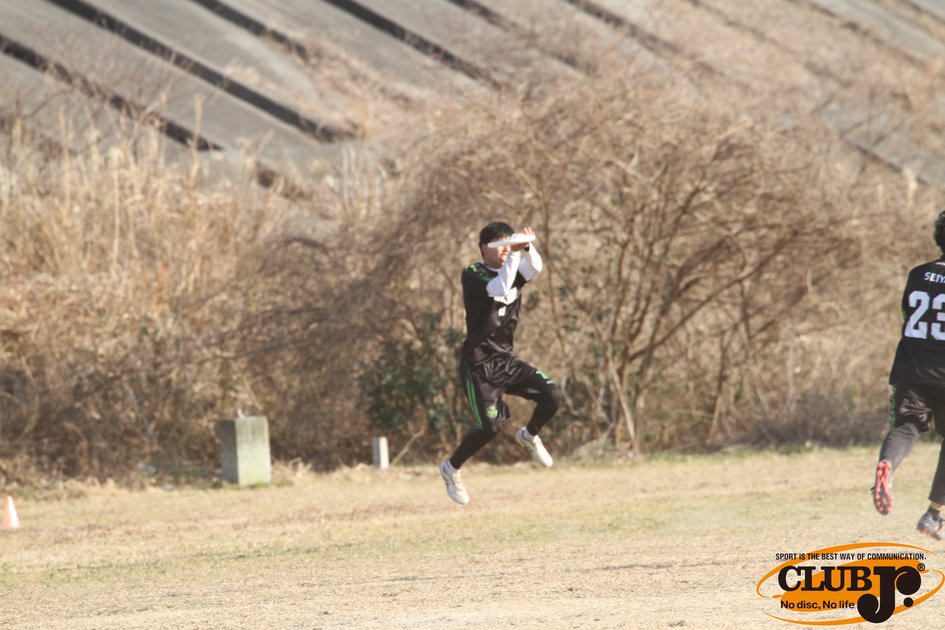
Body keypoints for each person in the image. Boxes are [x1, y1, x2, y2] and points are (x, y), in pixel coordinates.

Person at [439, 222, 564, 504]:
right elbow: (500, 287)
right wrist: (516, 253)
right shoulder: (473, 274)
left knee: (553, 396)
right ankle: (450, 468)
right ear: (486, 248)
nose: (507, 250)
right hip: (479, 366)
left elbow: (535, 267)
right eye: (501, 245)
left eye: (510, 244)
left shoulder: (514, 266)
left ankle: (528, 436)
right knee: (490, 428)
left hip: (506, 360)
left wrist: (527, 247)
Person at [873, 210, 945, 539]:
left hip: (911, 369)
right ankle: (933, 516)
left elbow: (907, 313)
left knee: (907, 427)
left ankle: (888, 465)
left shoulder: (917, 274)